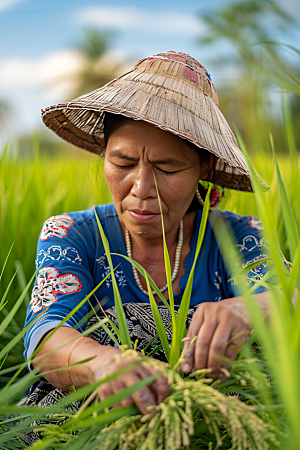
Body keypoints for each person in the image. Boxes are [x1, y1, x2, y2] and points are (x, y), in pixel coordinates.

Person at [23, 51, 274, 416]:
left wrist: (247, 308)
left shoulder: (239, 238)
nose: (141, 188)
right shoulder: (73, 235)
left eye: (167, 168)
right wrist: (102, 363)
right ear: (104, 154)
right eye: (122, 163)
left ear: (203, 167)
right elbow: (46, 336)